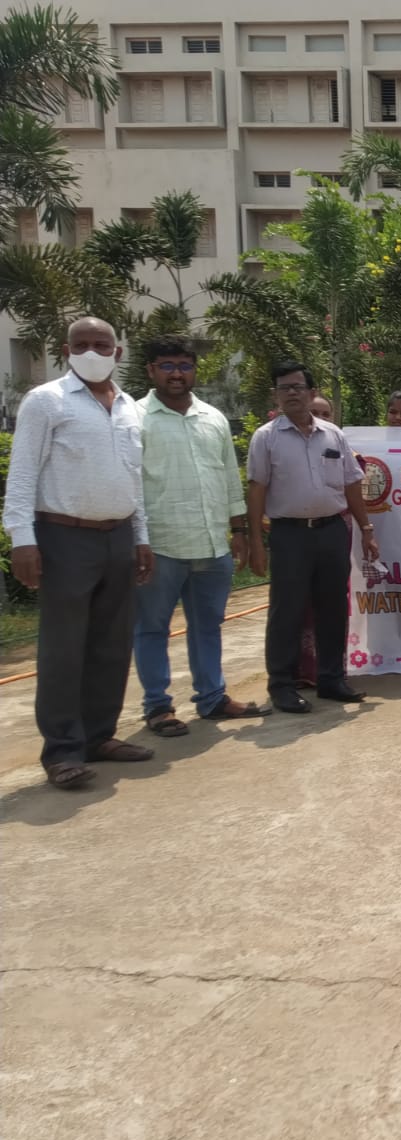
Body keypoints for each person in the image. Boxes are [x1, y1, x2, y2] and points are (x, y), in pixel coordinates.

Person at [2, 317, 155, 789]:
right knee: (65, 647)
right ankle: (63, 750)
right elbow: (23, 474)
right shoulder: (46, 401)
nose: (92, 351)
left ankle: (99, 736)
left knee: (112, 642)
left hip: (117, 536)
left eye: (101, 344)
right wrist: (21, 540)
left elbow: (133, 478)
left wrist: (140, 535)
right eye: (81, 344)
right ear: (66, 351)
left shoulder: (129, 406)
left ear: (118, 352)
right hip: (64, 537)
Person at [133, 334, 268, 738]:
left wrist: (239, 529)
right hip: (161, 544)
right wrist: (136, 540)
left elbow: (229, 477)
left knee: (208, 626)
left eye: (185, 366)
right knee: (152, 627)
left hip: (212, 544)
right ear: (152, 371)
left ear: (194, 370)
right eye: (168, 366)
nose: (177, 374)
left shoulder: (214, 418)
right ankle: (158, 707)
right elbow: (129, 484)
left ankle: (212, 697)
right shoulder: (135, 418)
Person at [246, 361, 381, 713]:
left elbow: (352, 485)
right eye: (283, 388)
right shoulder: (266, 437)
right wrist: (255, 541)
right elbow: (257, 489)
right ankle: (282, 684)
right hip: (289, 534)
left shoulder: (333, 435)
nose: (291, 393)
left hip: (332, 530)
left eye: (297, 387)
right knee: (286, 611)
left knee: (333, 608)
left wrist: (366, 529)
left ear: (311, 391)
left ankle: (332, 678)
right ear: (275, 394)